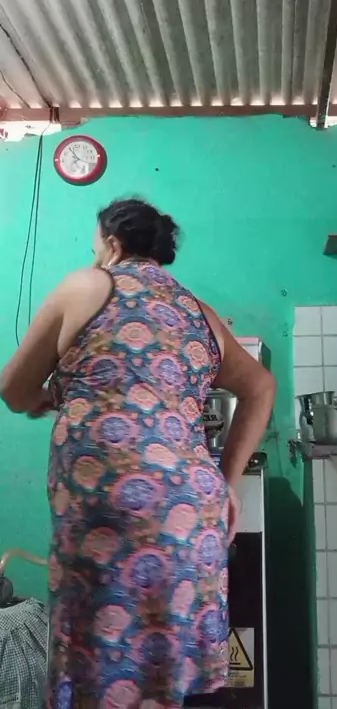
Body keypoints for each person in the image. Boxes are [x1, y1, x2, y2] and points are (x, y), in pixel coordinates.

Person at [0, 198, 276, 709]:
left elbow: (13, 388)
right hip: (193, 509)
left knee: (100, 663)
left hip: (110, 504)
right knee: (167, 666)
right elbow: (261, 387)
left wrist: (43, 397)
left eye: (95, 248)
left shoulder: (88, 284)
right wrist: (228, 483)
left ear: (112, 244)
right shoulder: (200, 311)